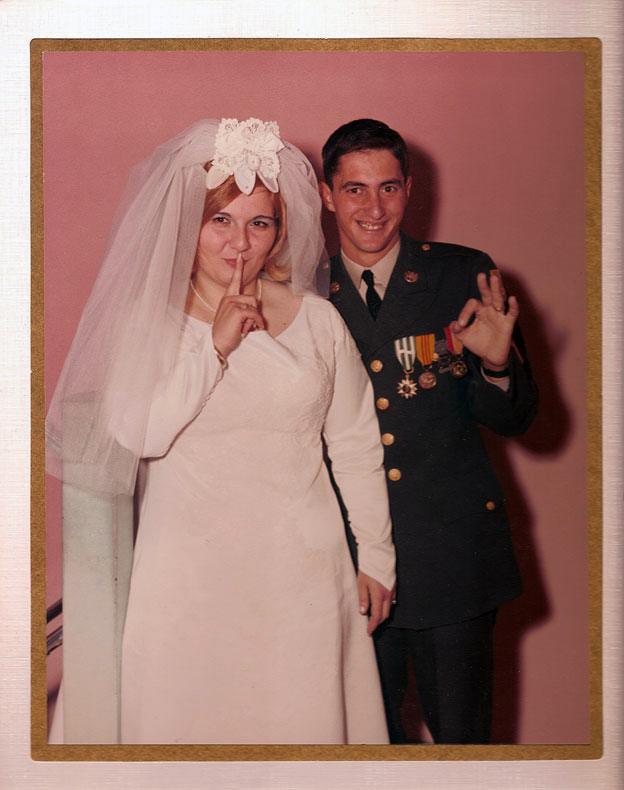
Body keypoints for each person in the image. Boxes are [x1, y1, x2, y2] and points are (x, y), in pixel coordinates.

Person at [46, 118, 395, 744]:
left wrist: (377, 557)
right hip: (187, 578)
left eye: (259, 222)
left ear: (281, 231)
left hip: (303, 575)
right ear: (191, 224)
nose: (240, 243)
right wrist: (212, 347)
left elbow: (355, 443)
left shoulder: (317, 320)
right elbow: (139, 433)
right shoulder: (147, 320)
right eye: (221, 221)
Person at [319, 118, 538, 744]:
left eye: (388, 188)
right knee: (360, 747)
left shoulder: (463, 276)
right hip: (349, 564)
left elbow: (517, 419)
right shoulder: (300, 290)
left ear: (409, 190)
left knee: (463, 747)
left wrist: (497, 364)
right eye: (354, 189)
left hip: (452, 559)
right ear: (328, 195)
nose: (373, 208)